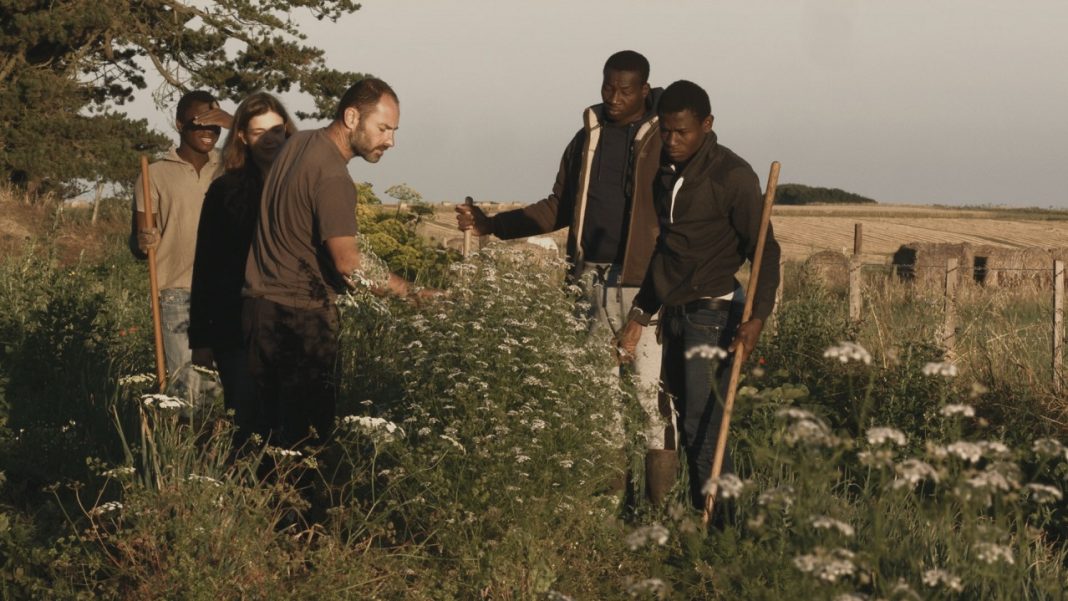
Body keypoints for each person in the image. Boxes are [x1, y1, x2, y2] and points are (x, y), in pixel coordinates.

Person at [456, 50, 674, 501]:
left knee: (651, 402)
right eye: (607, 87)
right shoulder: (585, 139)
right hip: (588, 282)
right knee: (600, 403)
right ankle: (610, 509)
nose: (613, 97)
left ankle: (662, 518)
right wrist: (493, 225)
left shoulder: (663, 139)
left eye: (625, 90)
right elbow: (557, 206)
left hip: (644, 286)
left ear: (645, 91)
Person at [618, 80, 781, 510]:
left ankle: (721, 536)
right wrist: (639, 315)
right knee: (686, 426)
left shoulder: (732, 176)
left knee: (704, 427)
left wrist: (756, 320)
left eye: (682, 132)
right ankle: (699, 524)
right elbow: (667, 253)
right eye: (666, 131)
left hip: (714, 316)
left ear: (707, 125)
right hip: (675, 314)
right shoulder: (666, 175)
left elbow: (766, 250)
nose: (671, 141)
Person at [243, 77, 417, 448]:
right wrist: (413, 293)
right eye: (383, 128)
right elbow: (349, 264)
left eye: (394, 130)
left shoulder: (299, 143)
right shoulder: (334, 177)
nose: (390, 141)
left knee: (261, 443)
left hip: (258, 313)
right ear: (352, 117)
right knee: (304, 448)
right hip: (300, 321)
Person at [189, 92, 296, 443]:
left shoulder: (303, 185)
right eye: (258, 132)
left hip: (294, 323)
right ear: (241, 137)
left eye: (276, 130)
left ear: (288, 131)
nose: (269, 140)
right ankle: (242, 494)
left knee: (289, 424)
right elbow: (207, 265)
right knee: (246, 423)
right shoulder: (225, 191)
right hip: (235, 327)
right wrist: (201, 338)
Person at [135, 90, 232, 405]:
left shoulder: (232, 167)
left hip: (227, 292)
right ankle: (184, 453)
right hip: (178, 292)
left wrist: (233, 121)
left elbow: (279, 147)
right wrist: (142, 240)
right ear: (179, 124)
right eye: (198, 123)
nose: (208, 132)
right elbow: (139, 241)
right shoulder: (154, 173)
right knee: (187, 392)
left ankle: (216, 452)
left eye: (215, 125)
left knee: (222, 392)